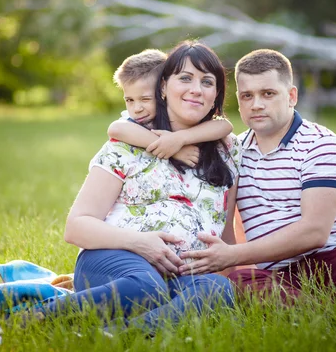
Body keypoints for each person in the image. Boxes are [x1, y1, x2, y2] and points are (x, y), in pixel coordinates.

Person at [14, 41, 241, 336]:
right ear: (163, 87)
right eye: (185, 78)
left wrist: (228, 268)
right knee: (146, 283)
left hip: (181, 275)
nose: (196, 89)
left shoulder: (228, 151)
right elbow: (76, 227)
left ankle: (113, 335)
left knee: (219, 289)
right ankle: (31, 322)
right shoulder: (128, 143)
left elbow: (225, 237)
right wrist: (140, 243)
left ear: (216, 96)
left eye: (207, 82)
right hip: (115, 261)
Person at [178, 49, 336, 328]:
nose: (256, 104)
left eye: (268, 94)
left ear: (291, 96)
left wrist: (234, 255)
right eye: (247, 96)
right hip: (280, 270)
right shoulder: (233, 153)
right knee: (239, 284)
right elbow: (225, 226)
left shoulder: (322, 144)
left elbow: (315, 231)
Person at [107, 48, 234, 167]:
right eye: (129, 100)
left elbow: (225, 126)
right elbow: (115, 129)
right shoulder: (135, 123)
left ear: (162, 89)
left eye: (146, 99)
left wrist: (179, 139)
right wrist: (176, 150)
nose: (137, 109)